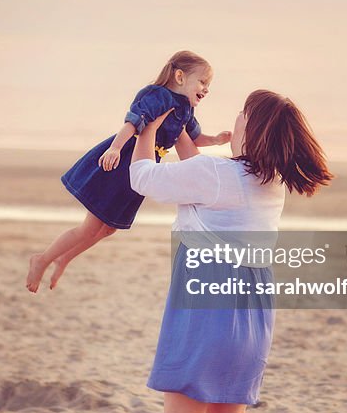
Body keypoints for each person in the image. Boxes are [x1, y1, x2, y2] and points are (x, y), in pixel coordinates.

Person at [126, 89, 333, 413]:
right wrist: (182, 137)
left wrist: (145, 129)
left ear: (250, 129)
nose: (233, 120)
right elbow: (198, 174)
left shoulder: (215, 174)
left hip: (205, 308)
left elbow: (144, 177)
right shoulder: (269, 182)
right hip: (251, 312)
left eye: (240, 115)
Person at [26, 50, 230, 293]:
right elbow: (133, 123)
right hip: (123, 162)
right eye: (203, 82)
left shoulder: (185, 108)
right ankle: (43, 259)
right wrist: (114, 148)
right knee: (90, 227)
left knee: (109, 228)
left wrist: (216, 140)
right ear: (180, 76)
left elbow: (192, 137)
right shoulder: (159, 96)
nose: (206, 89)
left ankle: (64, 258)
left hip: (142, 168)